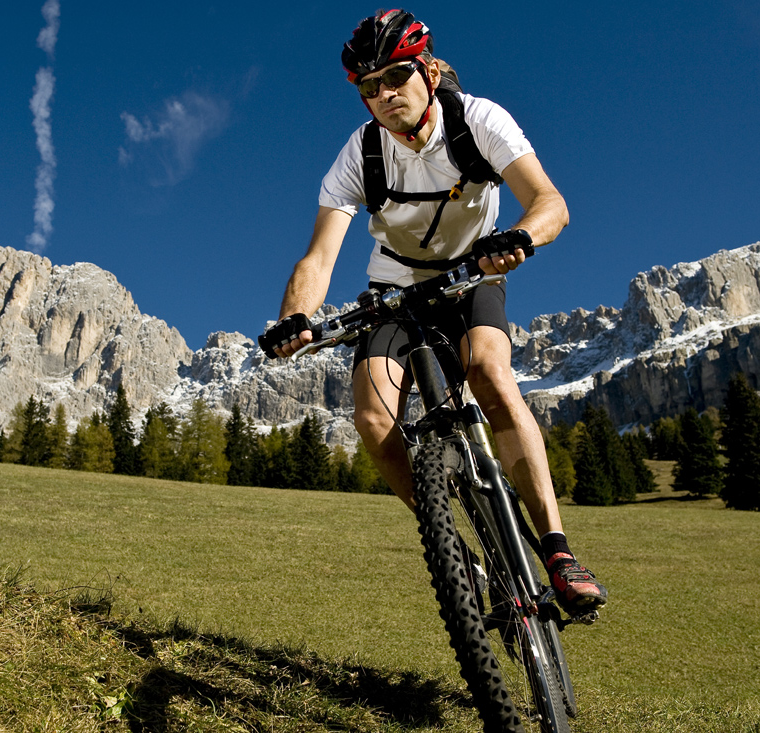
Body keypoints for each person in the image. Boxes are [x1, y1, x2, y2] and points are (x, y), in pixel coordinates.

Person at [259, 9, 606, 614]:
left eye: (396, 76)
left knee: (491, 376)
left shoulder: (478, 120)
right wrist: (295, 318)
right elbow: (319, 256)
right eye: (370, 87)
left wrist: (520, 237)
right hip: (394, 288)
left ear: (424, 69)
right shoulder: (360, 154)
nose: (385, 94)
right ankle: (452, 543)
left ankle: (556, 550)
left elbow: (550, 201)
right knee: (371, 419)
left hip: (474, 275)